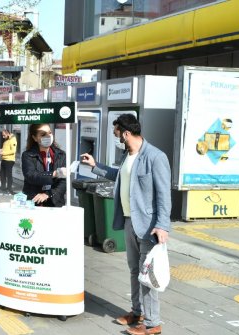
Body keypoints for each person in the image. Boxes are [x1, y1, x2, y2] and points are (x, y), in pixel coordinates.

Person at [80, 114, 171, 335]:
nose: (115, 135)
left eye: (116, 132)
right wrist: (96, 166)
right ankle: (137, 312)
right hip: (130, 222)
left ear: (126, 133)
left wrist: (162, 225)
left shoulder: (155, 157)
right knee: (134, 270)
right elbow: (119, 176)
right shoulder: (127, 155)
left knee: (147, 274)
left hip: (149, 226)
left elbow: (164, 194)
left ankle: (153, 323)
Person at [21, 123, 67, 207]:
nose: (48, 136)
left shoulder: (61, 154)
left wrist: (48, 194)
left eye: (49, 133)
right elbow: (31, 176)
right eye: (43, 134)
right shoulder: (28, 155)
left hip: (55, 203)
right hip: (34, 202)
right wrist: (54, 174)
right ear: (35, 138)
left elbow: (63, 182)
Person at [0, 129, 17, 195]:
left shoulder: (12, 140)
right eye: (2, 135)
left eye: (4, 135)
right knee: (2, 174)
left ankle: (10, 189)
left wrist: (3, 153)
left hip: (10, 160)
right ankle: (3, 188)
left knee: (9, 175)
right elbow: (6, 149)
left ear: (8, 133)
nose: (3, 137)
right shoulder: (6, 140)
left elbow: (13, 151)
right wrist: (1, 150)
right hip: (4, 159)